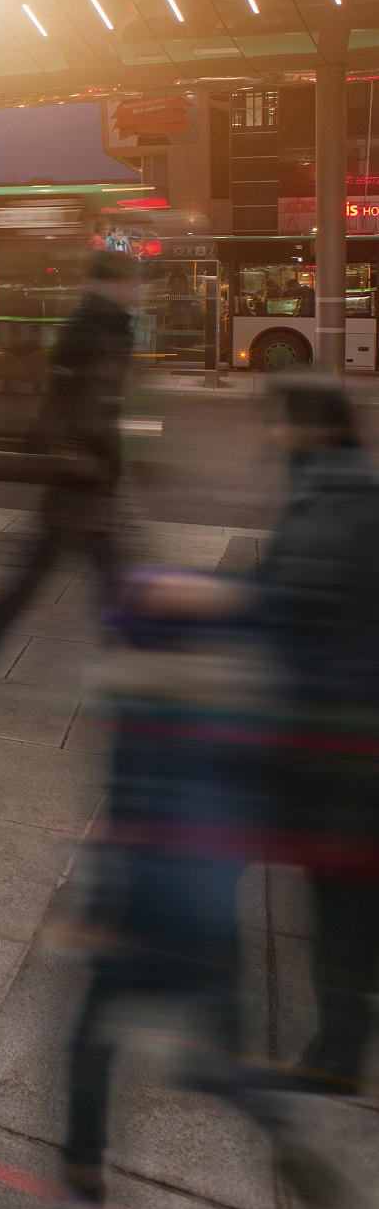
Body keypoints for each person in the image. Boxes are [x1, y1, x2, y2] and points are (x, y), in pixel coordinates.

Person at [24, 567, 379, 1209]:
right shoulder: (243, 695)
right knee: (200, 1064)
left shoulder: (147, 696)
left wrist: (104, 915)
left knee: (108, 1051)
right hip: (208, 907)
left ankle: (83, 1207)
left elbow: (138, 810)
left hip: (161, 908)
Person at [0, 248, 141, 733]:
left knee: (42, 592)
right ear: (120, 282)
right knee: (108, 595)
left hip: (83, 482)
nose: (136, 291)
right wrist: (93, 466)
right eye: (133, 281)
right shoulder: (98, 327)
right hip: (82, 486)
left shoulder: (98, 323)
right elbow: (82, 409)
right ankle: (152, 707)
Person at [259, 375, 379, 1099]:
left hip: (338, 742)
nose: (273, 436)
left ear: (310, 429)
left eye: (281, 422)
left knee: (339, 894)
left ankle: (338, 1050)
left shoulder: (324, 508)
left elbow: (286, 613)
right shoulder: (350, 490)